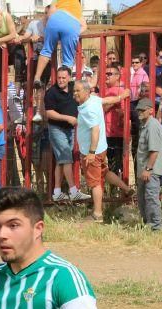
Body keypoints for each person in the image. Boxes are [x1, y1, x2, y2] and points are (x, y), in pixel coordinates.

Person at [74, 80, 133, 222]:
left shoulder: (88, 109)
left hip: (92, 150)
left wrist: (91, 153)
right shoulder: (93, 99)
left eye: (78, 91)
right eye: (74, 91)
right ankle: (126, 188)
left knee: (94, 183)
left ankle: (98, 214)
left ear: (87, 92)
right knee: (104, 172)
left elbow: (95, 130)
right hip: (101, 147)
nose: (75, 93)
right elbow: (107, 100)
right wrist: (121, 96)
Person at [44, 67, 90, 203]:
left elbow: (89, 86)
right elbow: (49, 113)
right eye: (59, 78)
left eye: (64, 78)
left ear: (69, 77)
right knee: (66, 158)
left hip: (70, 130)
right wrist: (67, 118)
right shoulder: (51, 93)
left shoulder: (73, 87)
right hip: (57, 129)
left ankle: (57, 192)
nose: (61, 80)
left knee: (61, 160)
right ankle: (73, 190)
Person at [32, 0, 86, 89]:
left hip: (55, 20)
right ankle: (65, 85)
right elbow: (84, 26)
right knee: (68, 59)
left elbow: (50, 12)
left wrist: (48, 28)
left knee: (46, 50)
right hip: (72, 24)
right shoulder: (77, 5)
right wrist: (71, 34)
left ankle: (37, 77)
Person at [135, 97, 162, 231]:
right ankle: (148, 224)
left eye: (142, 110)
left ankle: (155, 227)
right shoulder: (146, 125)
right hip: (147, 170)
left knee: (150, 198)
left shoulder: (152, 126)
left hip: (151, 171)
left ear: (150, 111)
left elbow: (154, 151)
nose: (139, 112)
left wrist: (148, 169)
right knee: (144, 198)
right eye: (138, 110)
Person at [101, 65, 126, 177]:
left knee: (116, 165)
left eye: (110, 74)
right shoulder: (103, 91)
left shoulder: (121, 91)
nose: (107, 76)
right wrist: (113, 102)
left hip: (117, 134)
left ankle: (117, 190)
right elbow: (100, 109)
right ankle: (111, 189)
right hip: (103, 133)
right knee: (106, 165)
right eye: (106, 73)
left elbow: (124, 112)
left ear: (117, 76)